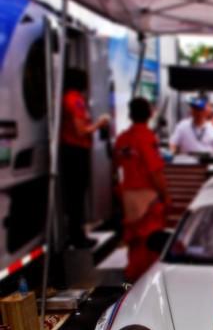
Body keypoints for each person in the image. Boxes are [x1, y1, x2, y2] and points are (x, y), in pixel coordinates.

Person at [114, 96, 170, 283]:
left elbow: (117, 168)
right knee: (150, 242)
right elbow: (155, 171)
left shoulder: (122, 139)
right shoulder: (146, 137)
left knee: (134, 240)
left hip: (128, 197)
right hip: (147, 197)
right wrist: (165, 195)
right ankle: (147, 282)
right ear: (148, 114)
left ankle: (132, 278)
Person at [60, 67, 109, 248]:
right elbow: (81, 130)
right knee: (77, 196)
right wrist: (100, 123)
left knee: (75, 196)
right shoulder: (75, 101)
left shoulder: (67, 98)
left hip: (70, 150)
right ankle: (78, 237)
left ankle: (76, 234)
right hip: (76, 151)